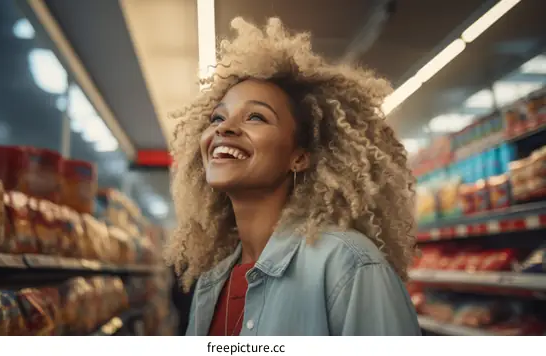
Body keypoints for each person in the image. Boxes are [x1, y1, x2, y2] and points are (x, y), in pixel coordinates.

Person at [164, 17, 421, 336]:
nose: (224, 128)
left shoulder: (348, 264)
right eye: (218, 117)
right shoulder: (211, 281)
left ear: (299, 157)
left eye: (255, 117)